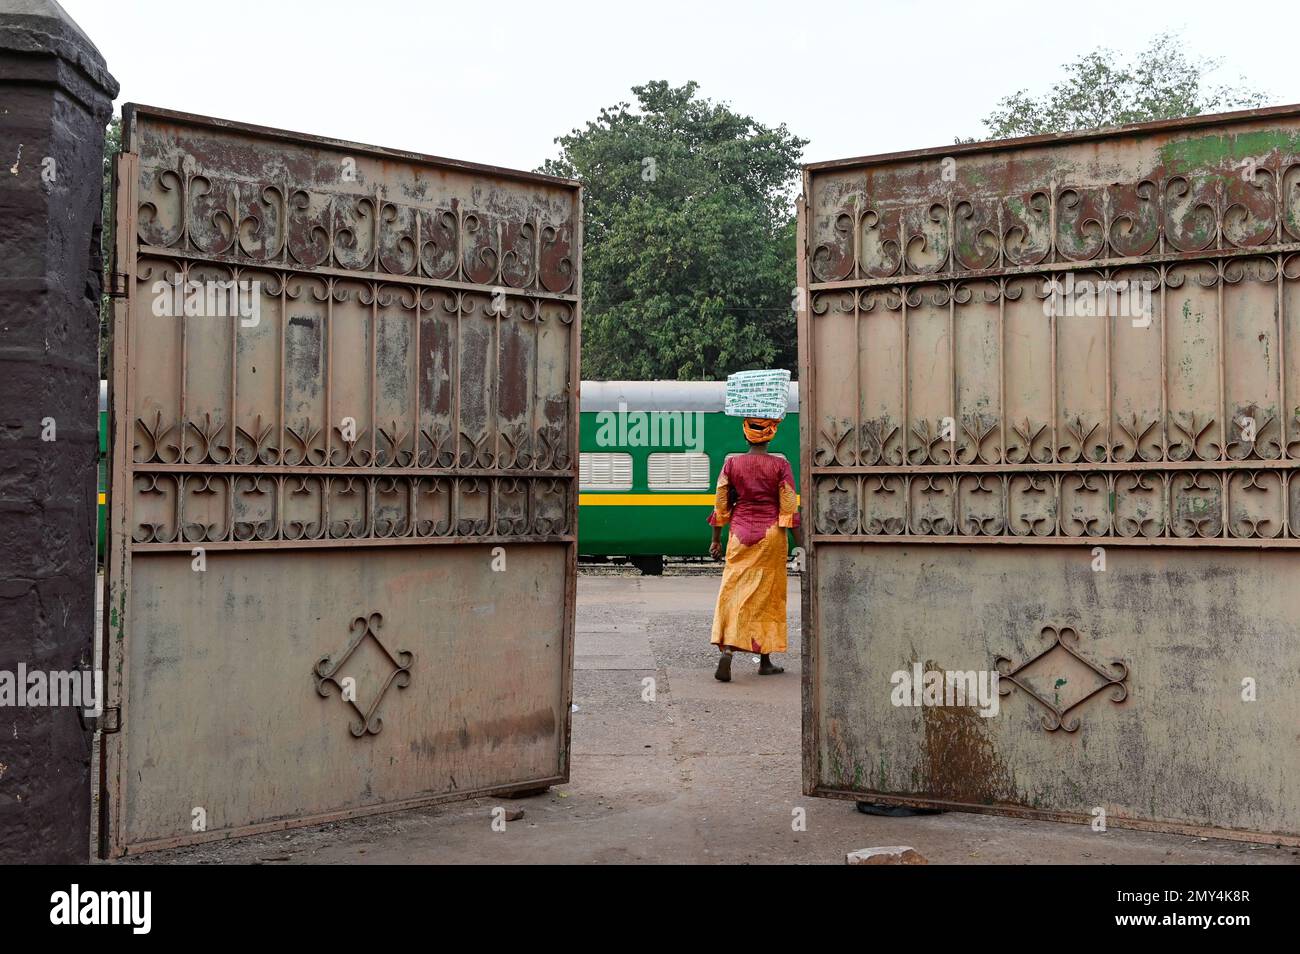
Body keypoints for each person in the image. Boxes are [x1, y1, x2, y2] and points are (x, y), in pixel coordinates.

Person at [707, 416, 801, 682]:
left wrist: (716, 539)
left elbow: (721, 505)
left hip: (739, 535)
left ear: (745, 435)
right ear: (770, 436)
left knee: (733, 591)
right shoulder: (781, 466)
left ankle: (728, 650)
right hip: (771, 536)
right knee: (767, 596)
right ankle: (765, 660)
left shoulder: (731, 464)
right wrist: (802, 547)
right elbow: (789, 508)